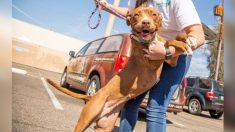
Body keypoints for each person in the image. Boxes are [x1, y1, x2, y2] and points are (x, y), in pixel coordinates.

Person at [97, 0, 205, 131]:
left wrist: (167, 53)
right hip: (149, 51)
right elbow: (130, 13)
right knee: (130, 101)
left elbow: (198, 36)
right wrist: (106, 6)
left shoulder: (180, 2)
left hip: (176, 53)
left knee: (156, 106)